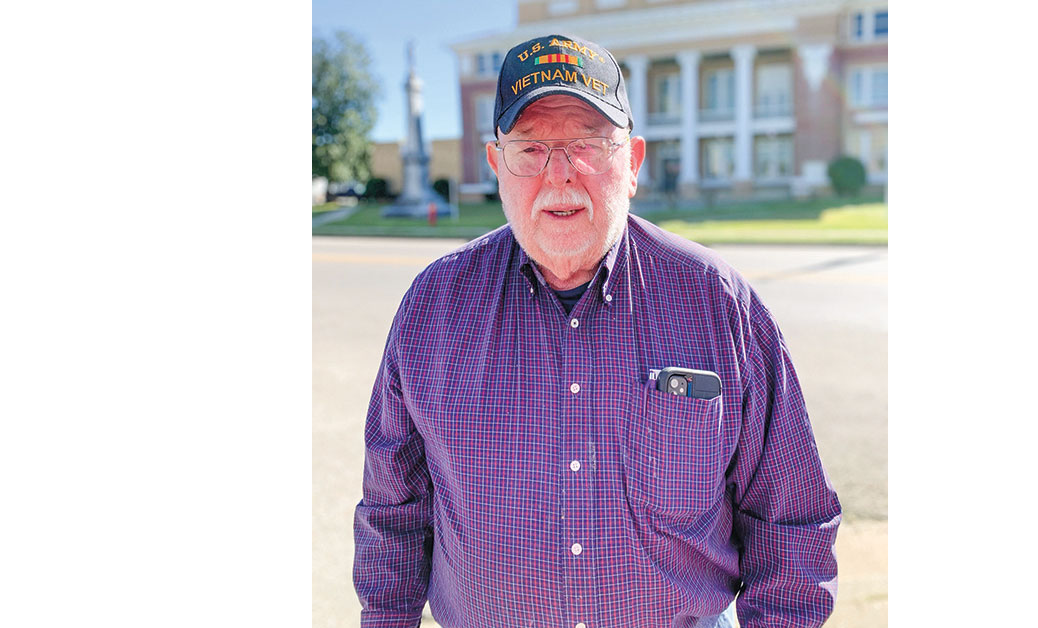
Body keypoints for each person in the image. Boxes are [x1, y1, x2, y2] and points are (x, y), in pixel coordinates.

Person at [354, 34, 840, 628]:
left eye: (586, 145)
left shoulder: (718, 302)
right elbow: (392, 512)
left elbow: (791, 522)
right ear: (496, 166)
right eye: (531, 149)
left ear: (632, 163)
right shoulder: (433, 307)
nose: (560, 175)